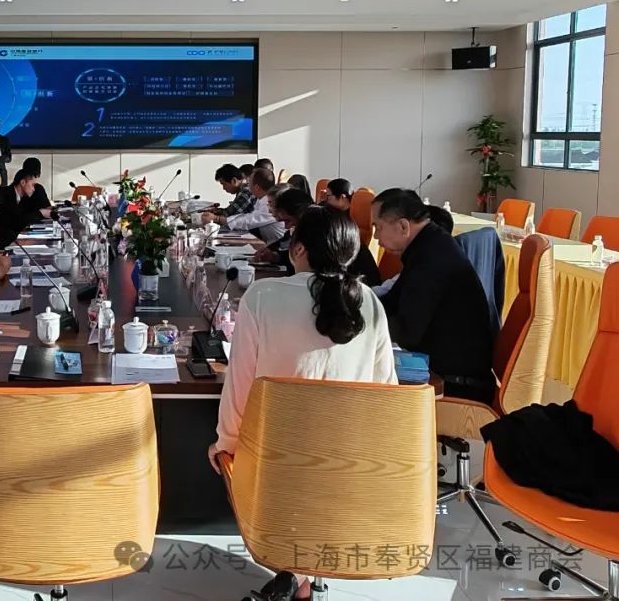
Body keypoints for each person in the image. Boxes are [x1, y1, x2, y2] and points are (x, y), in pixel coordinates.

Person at [208, 206, 397, 600]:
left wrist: (226, 444)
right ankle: (301, 577)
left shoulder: (262, 297)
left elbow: (239, 390)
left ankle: (296, 573)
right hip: (350, 472)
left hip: (276, 473)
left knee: (245, 458)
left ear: (297, 249)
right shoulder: (370, 303)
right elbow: (387, 399)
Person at [371, 188, 495, 403]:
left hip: (456, 386)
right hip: (448, 372)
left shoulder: (432, 259)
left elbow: (407, 331)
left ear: (403, 226)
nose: (375, 236)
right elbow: (392, 302)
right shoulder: (429, 246)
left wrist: (358, 323)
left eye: (378, 227)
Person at [204, 167, 284, 244]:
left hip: (280, 246)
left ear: (257, 187)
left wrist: (217, 219)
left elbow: (248, 221)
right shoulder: (262, 199)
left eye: (249, 183)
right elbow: (248, 216)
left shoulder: (270, 203)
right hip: (270, 242)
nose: (247, 185)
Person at [0, 168, 43, 250]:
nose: (34, 189)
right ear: (22, 182)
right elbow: (16, 221)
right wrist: (40, 213)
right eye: (32, 185)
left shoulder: (25, 198)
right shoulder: (4, 195)